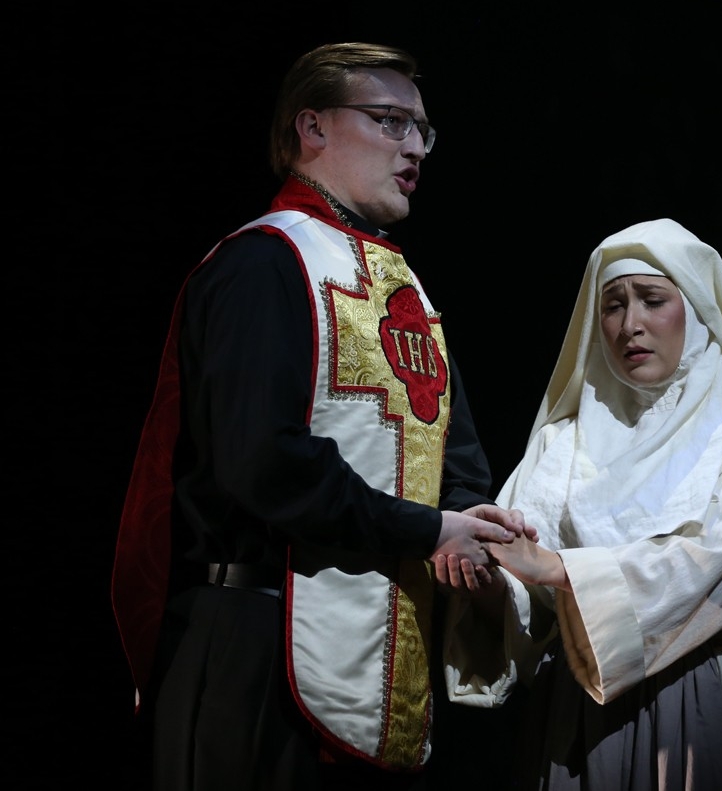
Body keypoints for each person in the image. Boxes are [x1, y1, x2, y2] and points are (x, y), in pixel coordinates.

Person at [110, 42, 532, 790]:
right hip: (252, 639)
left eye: (422, 130)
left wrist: (475, 528)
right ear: (312, 127)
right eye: (390, 120)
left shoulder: (404, 289)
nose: (414, 147)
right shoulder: (264, 261)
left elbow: (450, 451)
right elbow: (263, 462)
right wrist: (426, 529)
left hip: (376, 639)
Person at [433, 217, 722, 790]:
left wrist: (563, 569)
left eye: (653, 300)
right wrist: (491, 580)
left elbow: (713, 564)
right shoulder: (563, 442)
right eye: (612, 306)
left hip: (707, 693)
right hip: (584, 708)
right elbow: (528, 598)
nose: (630, 324)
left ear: (695, 309)